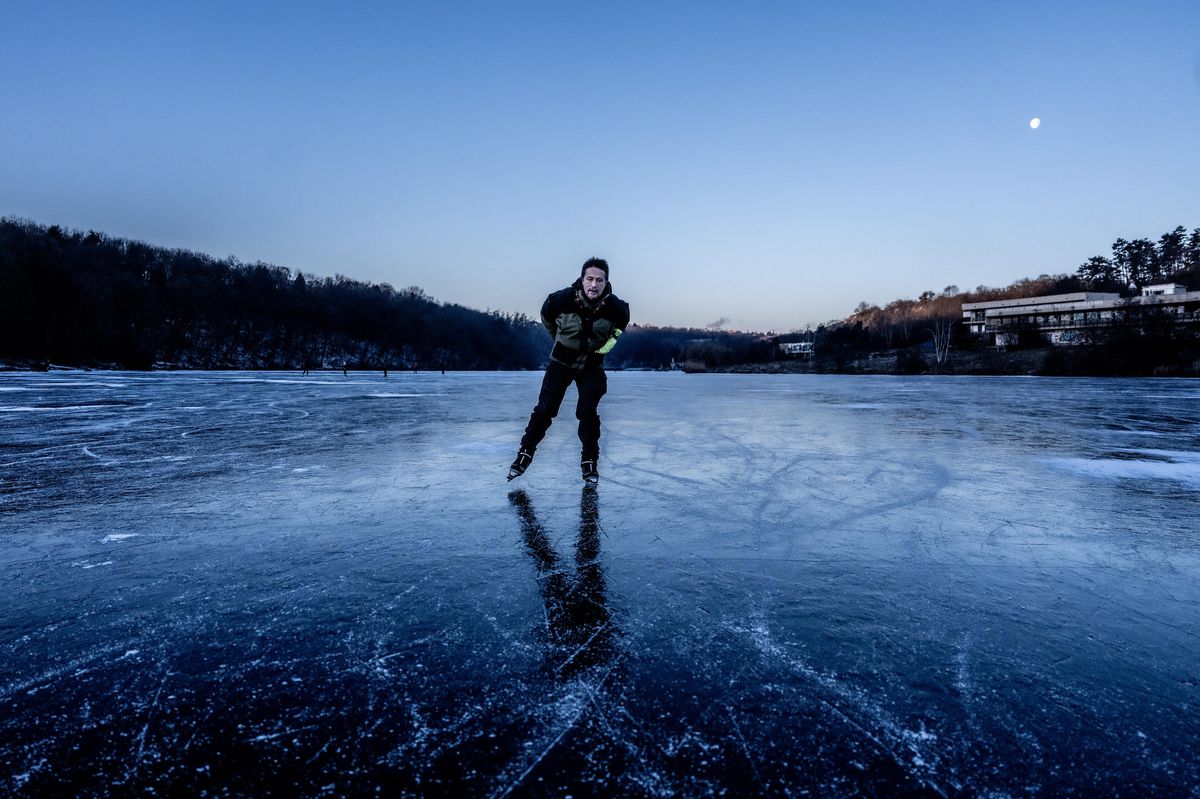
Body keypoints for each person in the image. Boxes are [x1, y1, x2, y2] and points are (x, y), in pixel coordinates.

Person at [508, 257, 630, 483]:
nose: (594, 285)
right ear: (582, 279)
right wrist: (561, 341)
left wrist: (603, 349)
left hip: (592, 365)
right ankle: (524, 454)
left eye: (599, 280)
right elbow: (547, 320)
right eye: (590, 279)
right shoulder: (560, 300)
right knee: (545, 410)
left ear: (606, 282)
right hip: (561, 362)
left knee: (587, 413)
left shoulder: (617, 309)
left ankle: (589, 461)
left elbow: (618, 331)